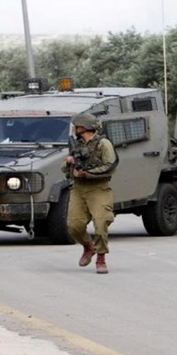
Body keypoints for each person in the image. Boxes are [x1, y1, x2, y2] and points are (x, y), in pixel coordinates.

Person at [63, 113, 118, 274]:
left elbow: (110, 166)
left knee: (101, 224)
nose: (74, 129)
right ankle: (88, 246)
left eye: (76, 126)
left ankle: (101, 258)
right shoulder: (76, 145)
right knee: (74, 226)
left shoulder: (103, 144)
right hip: (79, 189)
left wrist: (88, 173)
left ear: (83, 127)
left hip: (98, 188)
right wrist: (69, 164)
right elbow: (66, 172)